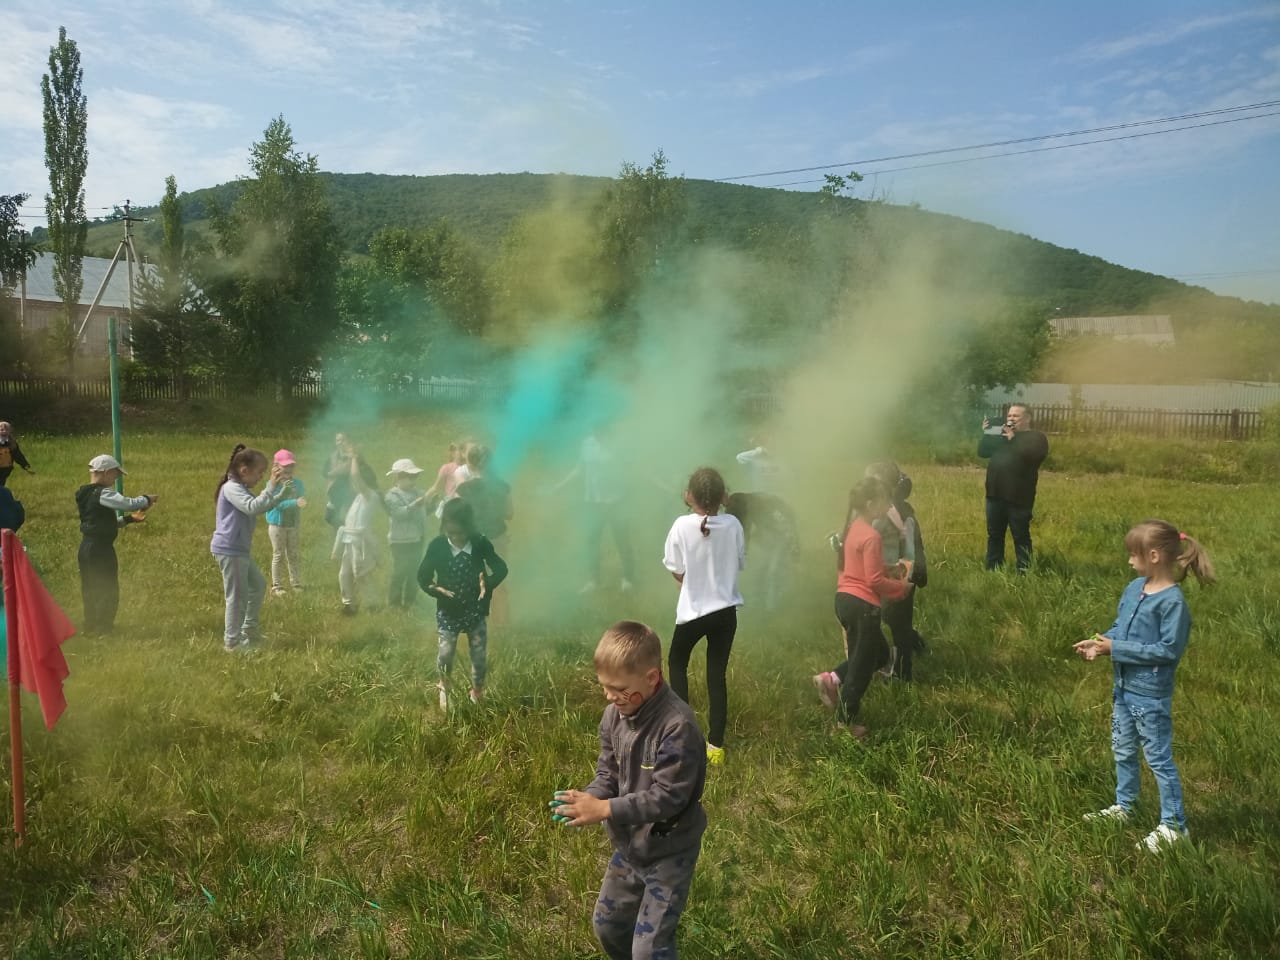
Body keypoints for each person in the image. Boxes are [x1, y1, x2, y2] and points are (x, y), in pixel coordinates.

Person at [549, 620, 707, 960]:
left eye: (618, 688)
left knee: (650, 949)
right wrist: (589, 797)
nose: (609, 696)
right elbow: (609, 773)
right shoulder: (613, 717)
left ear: (651, 678)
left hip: (670, 852)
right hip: (629, 846)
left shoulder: (677, 726)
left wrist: (605, 809)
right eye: (604, 686)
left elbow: (669, 797)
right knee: (608, 926)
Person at [1073, 520, 1215, 853]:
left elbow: (1167, 651)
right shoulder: (1135, 588)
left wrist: (1116, 648)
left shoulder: (1172, 604)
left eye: (1133, 555)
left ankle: (1174, 826)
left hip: (1150, 695)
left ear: (1153, 556)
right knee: (1122, 749)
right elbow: (1121, 627)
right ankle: (1126, 806)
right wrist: (1101, 642)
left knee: (1158, 758)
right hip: (1123, 688)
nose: (1128, 561)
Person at [812, 476, 910, 740]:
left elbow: (863, 565)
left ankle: (832, 679)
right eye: (884, 502)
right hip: (863, 607)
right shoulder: (872, 535)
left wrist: (889, 569)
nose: (887, 507)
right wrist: (900, 588)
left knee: (879, 654)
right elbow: (873, 580)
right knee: (861, 668)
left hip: (845, 600)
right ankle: (843, 724)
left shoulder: (853, 527)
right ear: (870, 503)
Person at [663, 466, 745, 765]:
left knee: (677, 663)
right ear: (723, 496)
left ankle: (684, 739)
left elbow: (675, 568)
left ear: (688, 496)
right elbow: (738, 562)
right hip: (725, 613)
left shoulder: (681, 525)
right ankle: (716, 747)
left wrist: (689, 581)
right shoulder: (733, 524)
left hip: (693, 611)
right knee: (716, 676)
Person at [417, 497, 508, 707]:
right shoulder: (438, 546)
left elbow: (501, 568)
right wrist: (435, 589)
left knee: (479, 655)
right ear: (444, 527)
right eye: (451, 533)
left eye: (461, 533)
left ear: (470, 527)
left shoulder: (480, 543)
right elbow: (423, 576)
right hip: (448, 610)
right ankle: (444, 685)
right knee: (446, 652)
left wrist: (488, 583)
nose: (457, 538)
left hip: (476, 609)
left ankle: (477, 691)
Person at [211, 445, 292, 651]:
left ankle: (249, 629)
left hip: (238, 550)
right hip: (230, 549)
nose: (260, 478)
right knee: (237, 597)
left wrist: (280, 495)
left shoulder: (241, 488)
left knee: (257, 585)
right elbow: (252, 507)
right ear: (244, 470)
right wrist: (271, 486)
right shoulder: (231, 488)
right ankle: (232, 642)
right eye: (259, 473)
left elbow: (258, 505)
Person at [75, 454, 157, 635]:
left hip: (87, 547)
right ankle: (103, 629)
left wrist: (129, 520)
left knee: (90, 588)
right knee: (107, 587)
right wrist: (147, 499)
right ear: (106, 473)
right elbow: (127, 503)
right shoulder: (102, 493)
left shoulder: (85, 493)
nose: (115, 479)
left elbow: (98, 523)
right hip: (100, 549)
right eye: (115, 475)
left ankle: (91, 626)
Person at [548, 429, 635, 593]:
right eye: (597, 431)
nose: (599, 434)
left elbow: (628, 469)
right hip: (593, 503)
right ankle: (594, 581)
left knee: (622, 541)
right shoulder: (587, 443)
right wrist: (560, 486)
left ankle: (628, 579)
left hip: (616, 501)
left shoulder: (618, 443)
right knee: (592, 543)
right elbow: (580, 469)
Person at [864, 461, 928, 681]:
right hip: (883, 573)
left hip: (900, 574)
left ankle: (903, 673)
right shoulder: (875, 510)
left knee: (898, 622)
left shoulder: (900, 513)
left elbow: (910, 550)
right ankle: (913, 641)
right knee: (890, 617)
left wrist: (905, 580)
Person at [977, 403, 1048, 573]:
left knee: (1020, 535)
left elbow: (1031, 456)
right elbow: (982, 452)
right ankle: (993, 568)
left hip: (1019, 496)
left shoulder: (1036, 438)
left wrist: (1013, 438)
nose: (1011, 419)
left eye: (1015, 416)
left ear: (1028, 418)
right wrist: (986, 434)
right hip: (995, 494)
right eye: (1009, 415)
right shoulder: (1001, 436)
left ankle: (1024, 570)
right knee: (995, 535)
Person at [455, 443, 513, 626]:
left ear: (471, 464)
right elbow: (509, 513)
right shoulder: (502, 486)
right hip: (498, 536)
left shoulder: (465, 489)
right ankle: (502, 623)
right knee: (499, 580)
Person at [333, 449, 381, 615]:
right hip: (349, 539)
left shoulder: (371, 496)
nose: (354, 484)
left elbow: (355, 476)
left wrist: (353, 457)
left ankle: (373, 604)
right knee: (344, 574)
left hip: (360, 542)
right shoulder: (359, 497)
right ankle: (349, 604)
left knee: (361, 574)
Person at [385, 458, 428, 610]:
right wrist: (415, 505)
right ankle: (394, 602)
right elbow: (399, 514)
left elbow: (423, 513)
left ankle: (410, 600)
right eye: (410, 477)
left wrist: (430, 504)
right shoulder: (392, 496)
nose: (413, 480)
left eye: (415, 477)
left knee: (414, 570)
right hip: (400, 540)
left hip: (417, 538)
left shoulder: (418, 492)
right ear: (398, 478)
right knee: (400, 570)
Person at [265, 449, 307, 597]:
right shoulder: (272, 485)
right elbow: (277, 504)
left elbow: (301, 497)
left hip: (293, 524)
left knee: (293, 554)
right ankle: (276, 585)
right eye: (285, 466)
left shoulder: (298, 483)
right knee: (278, 554)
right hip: (277, 526)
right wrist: (295, 502)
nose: (289, 469)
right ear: (276, 467)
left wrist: (302, 500)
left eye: (291, 465)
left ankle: (295, 583)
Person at [423, 441, 466, 517]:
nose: (463, 455)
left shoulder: (468, 468)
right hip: (451, 503)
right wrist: (423, 499)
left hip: (464, 502)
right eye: (461, 452)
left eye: (464, 452)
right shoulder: (447, 468)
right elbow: (436, 487)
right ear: (453, 453)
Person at [323, 432, 355, 528]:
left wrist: (333, 472)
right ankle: (341, 530)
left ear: (349, 441)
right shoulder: (333, 456)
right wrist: (330, 474)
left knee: (348, 517)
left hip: (350, 492)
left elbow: (345, 470)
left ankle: (346, 531)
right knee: (329, 517)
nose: (340, 442)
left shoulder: (353, 456)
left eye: (343, 440)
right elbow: (324, 471)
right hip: (335, 492)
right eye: (338, 440)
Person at [0, 421, 34, 487]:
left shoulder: (12, 444)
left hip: (5, 471)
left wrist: (26, 466)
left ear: (9, 432)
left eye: (7, 430)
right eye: (1, 430)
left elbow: (18, 456)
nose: (4, 431)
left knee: (1, 487)